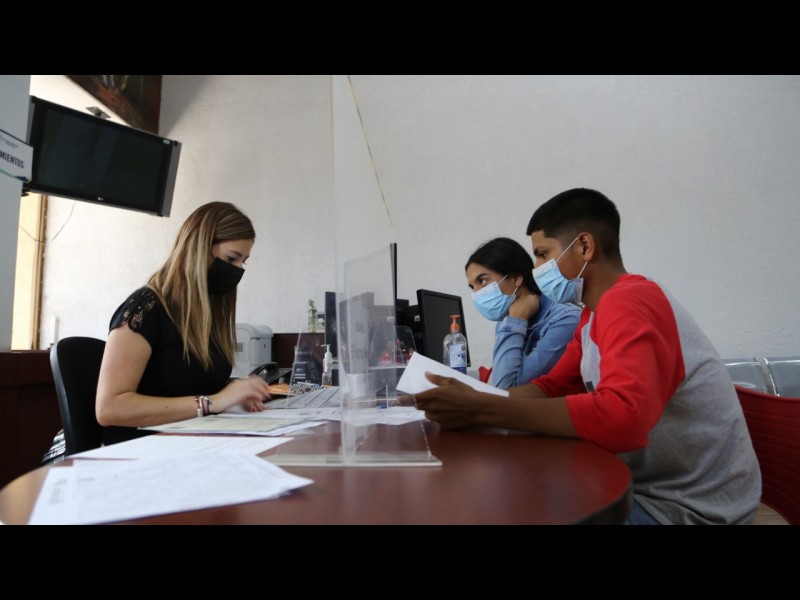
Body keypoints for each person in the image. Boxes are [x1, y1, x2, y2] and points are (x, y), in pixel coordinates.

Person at [414, 188, 761, 525]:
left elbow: (622, 417)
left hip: (688, 509)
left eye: (543, 254)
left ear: (584, 246)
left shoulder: (630, 301)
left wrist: (483, 409)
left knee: (506, 506)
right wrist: (477, 398)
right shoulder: (591, 314)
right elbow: (553, 386)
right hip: (649, 489)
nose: (537, 268)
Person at [96, 202, 272, 445]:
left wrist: (235, 393)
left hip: (191, 441)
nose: (238, 270)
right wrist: (212, 403)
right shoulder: (145, 308)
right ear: (199, 249)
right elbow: (109, 408)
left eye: (243, 261)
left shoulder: (205, 316)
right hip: (142, 448)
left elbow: (188, 386)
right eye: (231, 258)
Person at [466, 237, 580, 387]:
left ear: (515, 278)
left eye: (482, 281)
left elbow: (506, 388)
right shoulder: (508, 318)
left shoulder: (566, 320)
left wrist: (516, 320)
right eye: (472, 287)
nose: (477, 293)